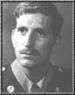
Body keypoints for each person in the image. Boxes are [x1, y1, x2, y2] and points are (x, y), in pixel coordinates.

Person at [2, 1, 72, 94]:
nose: (28, 43)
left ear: (55, 40)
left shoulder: (69, 81)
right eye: (22, 30)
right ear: (13, 37)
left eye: (40, 33)